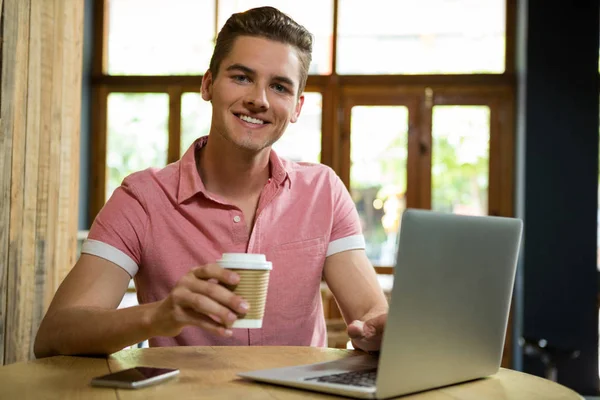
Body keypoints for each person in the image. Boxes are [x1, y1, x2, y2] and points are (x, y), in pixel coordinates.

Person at [34, 6, 388, 358]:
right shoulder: (142, 198)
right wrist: (158, 315)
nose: (259, 99)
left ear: (296, 107)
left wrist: (382, 331)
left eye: (279, 87)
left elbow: (370, 319)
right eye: (242, 77)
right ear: (207, 85)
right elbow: (55, 334)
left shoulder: (323, 191)